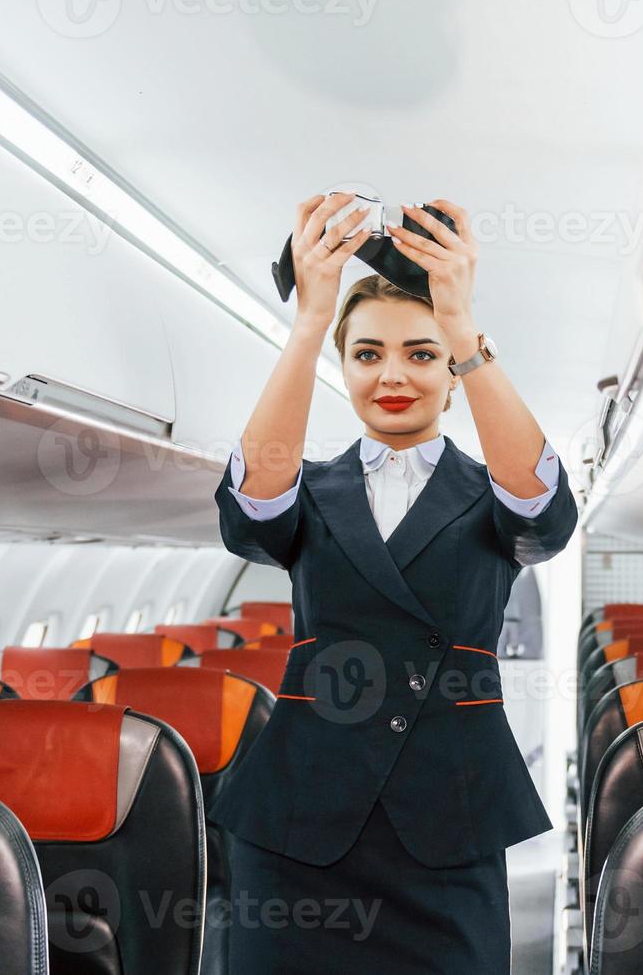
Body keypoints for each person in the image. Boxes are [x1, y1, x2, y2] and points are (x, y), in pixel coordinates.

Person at [211, 192, 578, 973]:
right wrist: (310, 319)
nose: (393, 376)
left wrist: (463, 325)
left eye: (421, 353)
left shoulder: (492, 492)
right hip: (298, 825)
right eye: (367, 353)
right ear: (342, 369)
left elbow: (544, 515)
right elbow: (250, 514)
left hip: (448, 822)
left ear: (452, 373)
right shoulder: (309, 490)